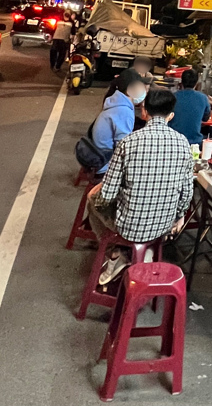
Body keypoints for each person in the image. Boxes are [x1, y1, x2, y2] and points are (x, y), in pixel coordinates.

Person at [87, 87, 194, 285]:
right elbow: (187, 194)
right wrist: (178, 217)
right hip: (163, 226)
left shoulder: (128, 143)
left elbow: (108, 192)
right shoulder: (183, 144)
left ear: (144, 111)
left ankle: (115, 252)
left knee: (92, 198)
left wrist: (99, 201)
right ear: (171, 116)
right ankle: (144, 251)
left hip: (128, 227)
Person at [90, 67, 147, 174]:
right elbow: (123, 146)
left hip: (99, 153)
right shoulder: (123, 111)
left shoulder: (117, 102)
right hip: (105, 161)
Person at [169, 68, 210, 146]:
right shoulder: (203, 98)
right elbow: (206, 118)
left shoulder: (173, 97)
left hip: (174, 140)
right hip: (195, 142)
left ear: (181, 81)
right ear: (196, 83)